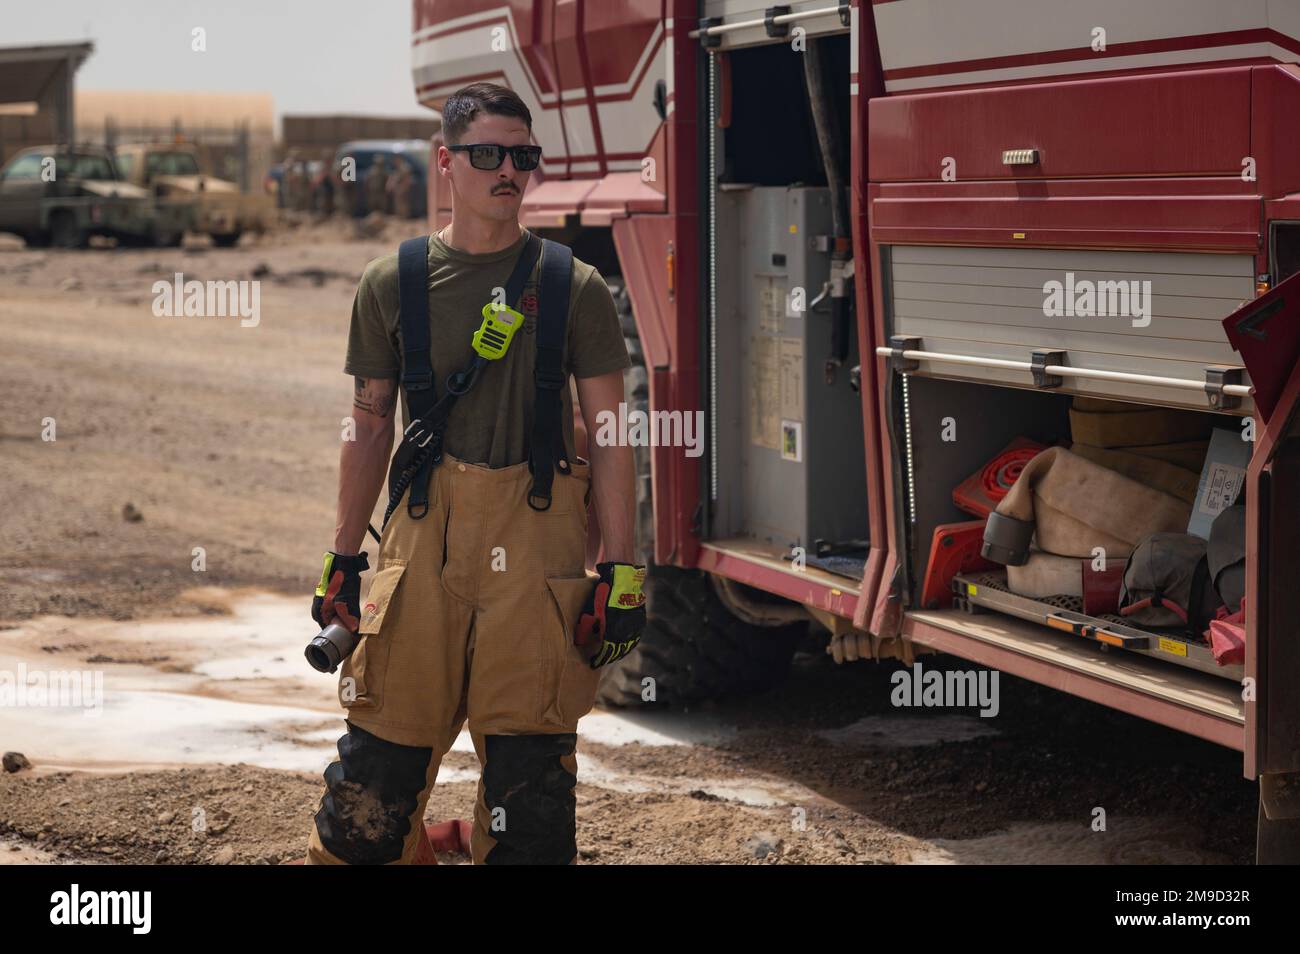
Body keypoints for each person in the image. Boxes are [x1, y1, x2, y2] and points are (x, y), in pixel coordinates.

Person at [304, 81, 643, 865]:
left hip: (538, 555)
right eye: (488, 154)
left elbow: (612, 434)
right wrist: (343, 558)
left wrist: (620, 569)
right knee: (368, 806)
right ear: (445, 163)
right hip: (420, 547)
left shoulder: (574, 287)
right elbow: (368, 425)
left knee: (531, 814)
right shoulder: (392, 282)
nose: (509, 172)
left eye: (523, 156)